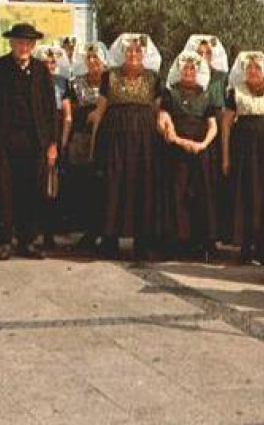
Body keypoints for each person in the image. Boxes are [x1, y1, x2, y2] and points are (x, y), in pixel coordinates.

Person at [0, 23, 58, 261]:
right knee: (4, 190)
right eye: (20, 42)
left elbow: (51, 110)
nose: (24, 47)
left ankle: (27, 241)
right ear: (11, 43)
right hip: (4, 141)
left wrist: (53, 143)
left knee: (32, 190)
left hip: (35, 142)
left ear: (33, 46)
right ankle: (4, 240)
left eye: (29, 43)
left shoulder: (42, 72)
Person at [91, 33, 162, 260]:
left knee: (143, 186)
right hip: (115, 139)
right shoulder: (108, 76)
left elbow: (159, 111)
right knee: (114, 185)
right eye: (129, 51)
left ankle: (142, 242)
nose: (133, 55)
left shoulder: (153, 78)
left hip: (145, 141)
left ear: (144, 54)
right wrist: (94, 143)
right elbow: (101, 109)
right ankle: (109, 239)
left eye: (137, 51)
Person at [158, 50, 218, 259]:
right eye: (186, 68)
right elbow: (164, 121)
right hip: (176, 153)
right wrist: (181, 142)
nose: (189, 72)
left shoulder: (206, 95)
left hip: (201, 153)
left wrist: (202, 145)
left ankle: (201, 243)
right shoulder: (169, 93)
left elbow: (213, 125)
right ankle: (177, 242)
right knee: (177, 195)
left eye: (193, 68)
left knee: (201, 195)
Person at [222, 51, 264, 263]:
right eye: (249, 68)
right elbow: (226, 125)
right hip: (244, 152)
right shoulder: (234, 92)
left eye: (257, 67)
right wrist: (226, 157)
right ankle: (245, 246)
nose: (253, 71)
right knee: (246, 195)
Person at [66, 42, 109, 253]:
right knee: (84, 183)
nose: (92, 62)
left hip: (105, 139)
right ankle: (88, 232)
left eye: (96, 58)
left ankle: (105, 232)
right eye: (89, 58)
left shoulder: (111, 82)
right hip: (82, 137)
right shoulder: (77, 83)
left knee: (104, 184)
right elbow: (72, 111)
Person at [184, 34, 229, 235]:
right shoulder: (184, 76)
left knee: (213, 182)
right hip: (191, 128)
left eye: (207, 53)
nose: (203, 56)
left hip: (215, 129)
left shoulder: (221, 78)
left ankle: (211, 234)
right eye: (199, 53)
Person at [33, 43, 73, 250]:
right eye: (45, 61)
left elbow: (67, 115)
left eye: (53, 61)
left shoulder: (62, 83)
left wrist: (62, 141)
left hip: (54, 135)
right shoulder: (32, 80)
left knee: (52, 186)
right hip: (35, 136)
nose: (50, 64)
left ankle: (49, 232)